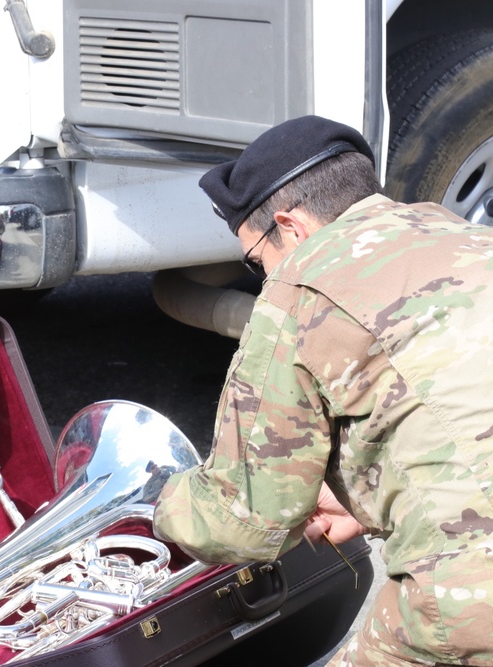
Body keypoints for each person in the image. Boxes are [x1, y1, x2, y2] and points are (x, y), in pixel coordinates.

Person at [153, 114, 493, 666]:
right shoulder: (469, 239)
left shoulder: (299, 286)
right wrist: (367, 498)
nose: (264, 276)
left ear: (290, 226)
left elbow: (243, 519)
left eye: (255, 258)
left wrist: (156, 504)